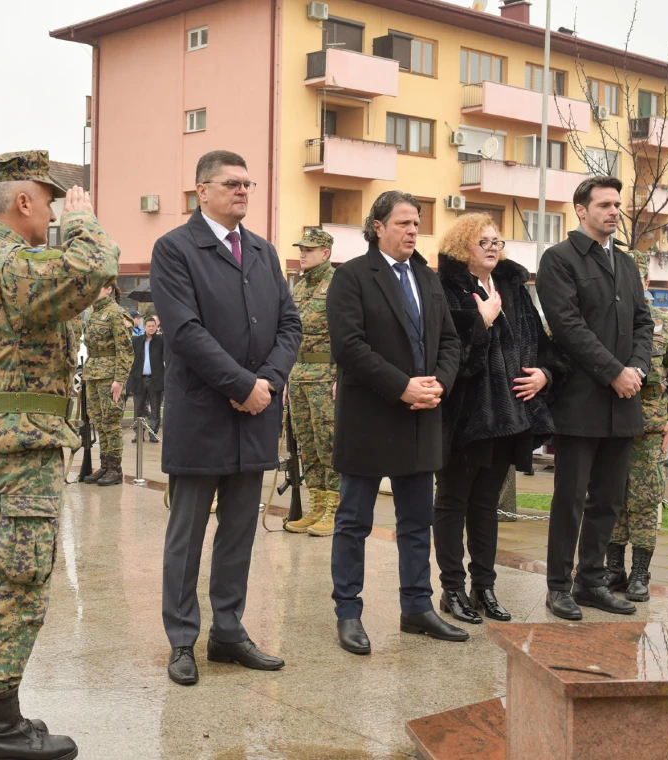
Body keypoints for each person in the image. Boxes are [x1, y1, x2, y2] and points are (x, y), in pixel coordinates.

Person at [0, 150, 118, 760]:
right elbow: (96, 268)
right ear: (23, 201)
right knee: (19, 581)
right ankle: (2, 728)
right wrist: (85, 222)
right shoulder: (15, 266)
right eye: (52, 202)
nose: (56, 213)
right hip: (24, 447)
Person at [151, 149, 301, 686]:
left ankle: (229, 633)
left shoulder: (262, 251)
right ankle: (182, 640)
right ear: (202, 191)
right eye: (231, 183)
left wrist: (268, 384)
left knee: (239, 533)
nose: (242, 191)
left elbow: (289, 325)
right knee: (187, 535)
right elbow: (184, 331)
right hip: (202, 416)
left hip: (255, 416)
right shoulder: (175, 248)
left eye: (247, 184)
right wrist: (242, 385)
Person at [327, 190, 464, 656]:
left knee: (416, 521)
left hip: (421, 418)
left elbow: (450, 341)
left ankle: (417, 607)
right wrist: (402, 386)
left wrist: (438, 384)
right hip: (369, 418)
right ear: (378, 227)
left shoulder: (427, 277)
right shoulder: (351, 277)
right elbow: (348, 346)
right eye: (403, 223)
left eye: (416, 223)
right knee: (353, 522)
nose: (412, 231)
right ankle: (348, 612)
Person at [434, 213, 565, 624]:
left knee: (486, 505)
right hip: (464, 419)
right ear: (463, 247)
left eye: (497, 241)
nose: (493, 248)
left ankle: (484, 587)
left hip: (508, 419)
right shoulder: (446, 289)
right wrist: (483, 321)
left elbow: (542, 345)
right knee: (453, 503)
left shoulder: (512, 288)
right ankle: (452, 589)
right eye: (484, 241)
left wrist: (545, 374)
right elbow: (447, 354)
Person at [536, 176, 653, 620]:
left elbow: (643, 323)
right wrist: (613, 372)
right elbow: (568, 327)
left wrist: (636, 370)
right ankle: (558, 586)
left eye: (617, 204)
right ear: (581, 210)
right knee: (569, 500)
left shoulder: (625, 263)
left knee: (608, 501)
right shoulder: (559, 259)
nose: (614, 211)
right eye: (604, 204)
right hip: (580, 401)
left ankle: (591, 581)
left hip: (623, 402)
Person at [606, 252, 668, 603]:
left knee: (643, 499)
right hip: (611, 422)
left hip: (649, 426)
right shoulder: (608, 319)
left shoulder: (666, 325)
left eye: (636, 277)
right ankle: (613, 568)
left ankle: (640, 573)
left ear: (645, 280)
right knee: (610, 496)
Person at [282, 228, 341, 537]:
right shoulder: (300, 286)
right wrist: (286, 376)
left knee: (328, 443)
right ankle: (316, 506)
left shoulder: (338, 284)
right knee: (307, 444)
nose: (302, 254)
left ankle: (335, 509)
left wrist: (343, 375)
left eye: (309, 249)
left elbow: (348, 334)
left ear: (325, 253)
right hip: (299, 375)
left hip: (325, 377)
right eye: (301, 249)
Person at [79, 285, 133, 486]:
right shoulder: (93, 314)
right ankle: (105, 464)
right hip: (94, 373)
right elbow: (91, 348)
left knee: (111, 422)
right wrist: (86, 373)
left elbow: (125, 351)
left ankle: (115, 468)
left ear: (109, 289)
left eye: (98, 287)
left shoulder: (116, 314)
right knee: (99, 422)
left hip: (110, 375)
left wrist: (119, 380)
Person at [128, 315, 164, 443]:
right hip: (139, 379)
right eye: (149, 326)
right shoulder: (136, 341)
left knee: (155, 408)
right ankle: (138, 434)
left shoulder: (161, 341)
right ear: (144, 327)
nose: (151, 328)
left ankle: (153, 434)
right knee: (138, 409)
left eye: (153, 326)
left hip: (155, 379)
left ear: (156, 327)